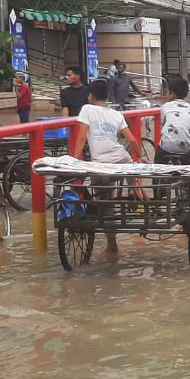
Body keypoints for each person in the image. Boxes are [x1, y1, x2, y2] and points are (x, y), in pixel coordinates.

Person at [72, 79, 144, 254]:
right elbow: (132, 139)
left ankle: (112, 243)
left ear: (90, 96)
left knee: (106, 202)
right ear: (107, 97)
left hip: (102, 165)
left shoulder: (87, 109)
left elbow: (81, 137)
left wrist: (74, 160)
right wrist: (141, 156)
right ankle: (134, 191)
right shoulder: (116, 115)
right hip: (121, 160)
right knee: (130, 169)